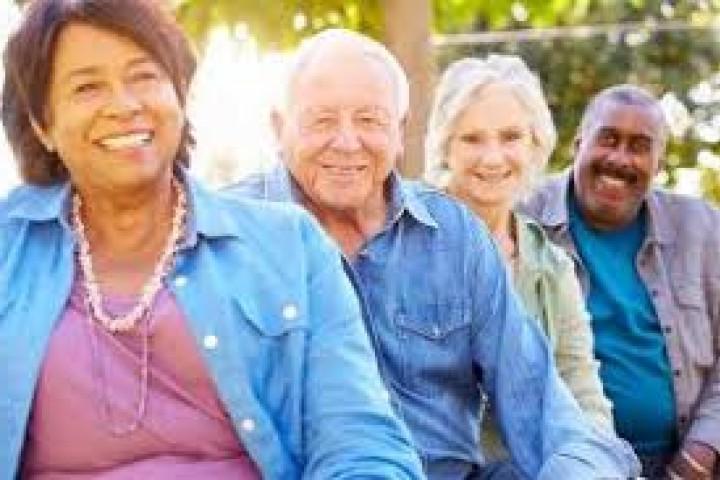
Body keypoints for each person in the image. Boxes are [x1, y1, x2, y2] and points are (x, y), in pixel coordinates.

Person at [0, 1, 425, 478]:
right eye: (87, 87)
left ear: (180, 96)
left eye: (144, 76)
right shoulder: (7, 252)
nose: (123, 105)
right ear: (43, 125)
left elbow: (362, 443)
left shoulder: (289, 248)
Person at [228, 28, 640, 479]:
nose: (347, 142)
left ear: (401, 131)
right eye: (322, 120)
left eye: (369, 120)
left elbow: (543, 408)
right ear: (278, 127)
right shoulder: (229, 237)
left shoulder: (454, 236)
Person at [522, 84, 720, 479]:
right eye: (607, 139)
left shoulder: (704, 229)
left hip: (684, 462)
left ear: (658, 165)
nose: (619, 159)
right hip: (563, 463)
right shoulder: (524, 221)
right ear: (578, 144)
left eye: (639, 146)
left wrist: (700, 453)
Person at [423, 54, 613, 460]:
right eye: (472, 139)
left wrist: (593, 462)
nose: (493, 158)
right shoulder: (407, 249)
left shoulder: (552, 267)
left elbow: (581, 388)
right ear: (445, 147)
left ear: (535, 144)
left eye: (510, 137)